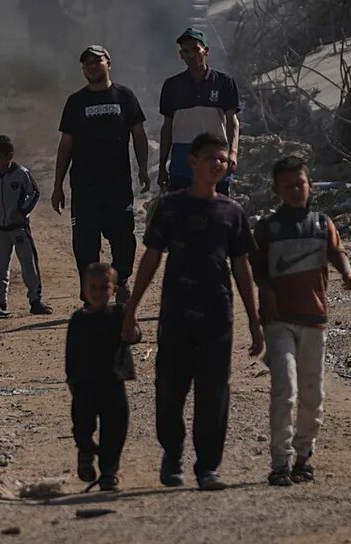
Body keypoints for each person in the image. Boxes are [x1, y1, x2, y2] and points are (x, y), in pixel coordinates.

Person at [122, 132, 264, 492]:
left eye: (223, 159)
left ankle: (208, 467)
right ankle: (172, 454)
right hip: (176, 313)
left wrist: (254, 320)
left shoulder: (232, 212)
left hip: (217, 314)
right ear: (192, 162)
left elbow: (242, 268)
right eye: (211, 157)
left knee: (214, 393)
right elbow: (151, 258)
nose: (218, 164)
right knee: (170, 388)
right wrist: (132, 309)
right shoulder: (171, 207)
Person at [251, 156, 351, 487]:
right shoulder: (267, 229)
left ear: (310, 184)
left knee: (313, 394)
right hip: (278, 320)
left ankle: (303, 458)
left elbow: (337, 252)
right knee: (285, 390)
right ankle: (279, 463)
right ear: (277, 190)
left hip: (314, 320)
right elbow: (258, 271)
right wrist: (266, 294)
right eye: (288, 186)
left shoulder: (322, 224)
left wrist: (347, 273)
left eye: (300, 184)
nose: (296, 191)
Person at [52, 45, 151, 304]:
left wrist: (143, 167)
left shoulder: (125, 97)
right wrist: (58, 184)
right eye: (87, 63)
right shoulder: (76, 102)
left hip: (117, 184)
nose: (91, 67)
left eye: (97, 61)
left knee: (123, 238)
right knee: (85, 243)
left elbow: (138, 134)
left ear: (109, 63)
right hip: (85, 186)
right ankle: (91, 295)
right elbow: (66, 144)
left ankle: (121, 281)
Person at [66, 262, 137, 492]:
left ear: (114, 289)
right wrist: (71, 380)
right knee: (82, 426)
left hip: (113, 382)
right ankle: (85, 454)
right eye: (93, 287)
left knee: (115, 429)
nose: (98, 292)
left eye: (104, 287)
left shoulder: (119, 314)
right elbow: (71, 353)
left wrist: (131, 331)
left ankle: (109, 472)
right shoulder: (78, 319)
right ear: (84, 290)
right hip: (84, 383)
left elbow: (134, 334)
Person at [158, 28, 242, 195]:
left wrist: (233, 152)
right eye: (186, 51)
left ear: (206, 51)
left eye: (195, 49)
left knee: (217, 208)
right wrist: (162, 166)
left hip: (215, 161)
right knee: (182, 209)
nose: (191, 55)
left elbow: (232, 122)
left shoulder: (224, 83)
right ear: (181, 55)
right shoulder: (172, 86)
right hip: (182, 164)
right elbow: (167, 127)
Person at [0, 135, 50, 318]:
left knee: (28, 264)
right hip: (0, 230)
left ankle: (35, 301)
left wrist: (22, 211)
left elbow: (34, 193)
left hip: (19, 229)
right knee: (0, 268)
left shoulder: (21, 174)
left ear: (9, 156)